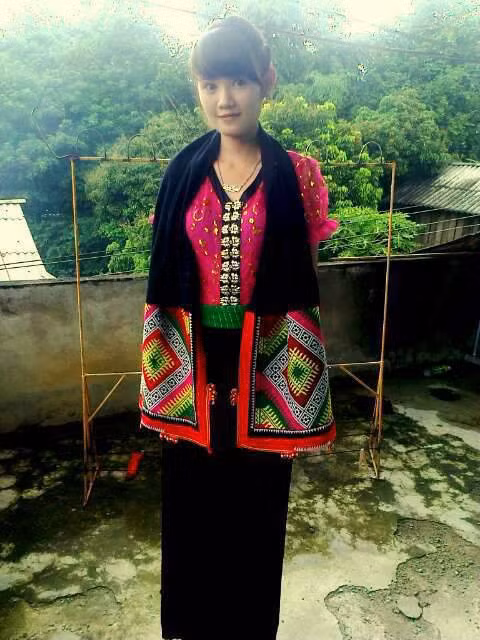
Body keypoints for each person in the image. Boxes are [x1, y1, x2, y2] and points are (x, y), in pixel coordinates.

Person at [139, 15, 339, 640]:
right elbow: (169, 268)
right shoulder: (181, 172)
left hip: (266, 363)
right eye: (210, 85)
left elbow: (304, 278)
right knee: (191, 509)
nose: (224, 99)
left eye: (239, 82)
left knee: (257, 509)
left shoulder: (298, 173)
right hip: (194, 361)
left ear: (266, 83)